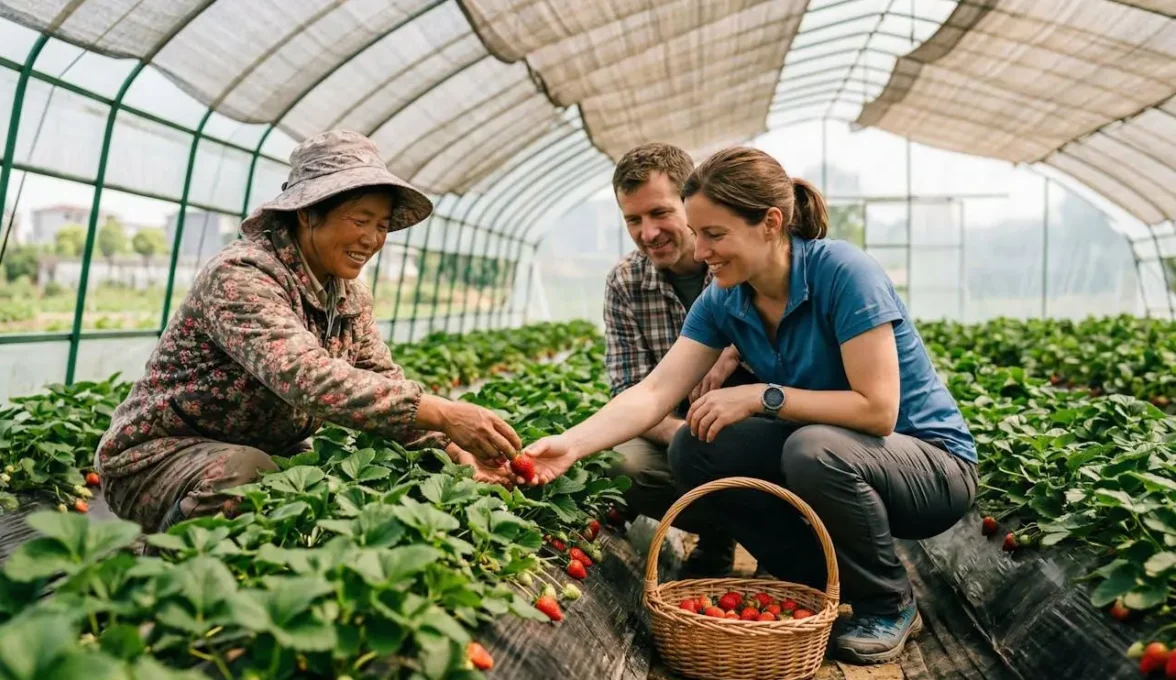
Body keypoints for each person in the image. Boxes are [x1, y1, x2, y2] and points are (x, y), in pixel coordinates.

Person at [522, 146, 978, 664]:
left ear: (770, 223)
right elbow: (653, 392)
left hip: (930, 468)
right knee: (696, 447)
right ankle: (818, 577)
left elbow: (878, 412)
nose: (702, 251)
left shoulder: (843, 273)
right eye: (698, 234)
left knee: (813, 448)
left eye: (715, 235)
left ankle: (889, 601)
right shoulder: (723, 297)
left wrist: (763, 395)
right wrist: (568, 447)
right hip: (841, 454)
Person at [95, 130, 520, 534]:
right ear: (306, 213)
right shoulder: (242, 275)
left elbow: (381, 379)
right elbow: (307, 377)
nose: (372, 238)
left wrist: (453, 451)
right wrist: (444, 412)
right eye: (361, 219)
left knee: (339, 481)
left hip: (267, 450)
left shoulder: (348, 295)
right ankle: (164, 579)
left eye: (383, 225)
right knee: (246, 474)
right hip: (159, 459)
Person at [602, 142, 754, 577]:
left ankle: (780, 535)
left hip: (760, 427)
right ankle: (720, 532)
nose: (648, 233)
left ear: (690, 203)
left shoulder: (740, 264)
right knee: (622, 465)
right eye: (633, 219)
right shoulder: (626, 283)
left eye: (660, 213)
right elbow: (628, 392)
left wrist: (735, 355)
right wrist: (692, 436)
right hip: (678, 434)